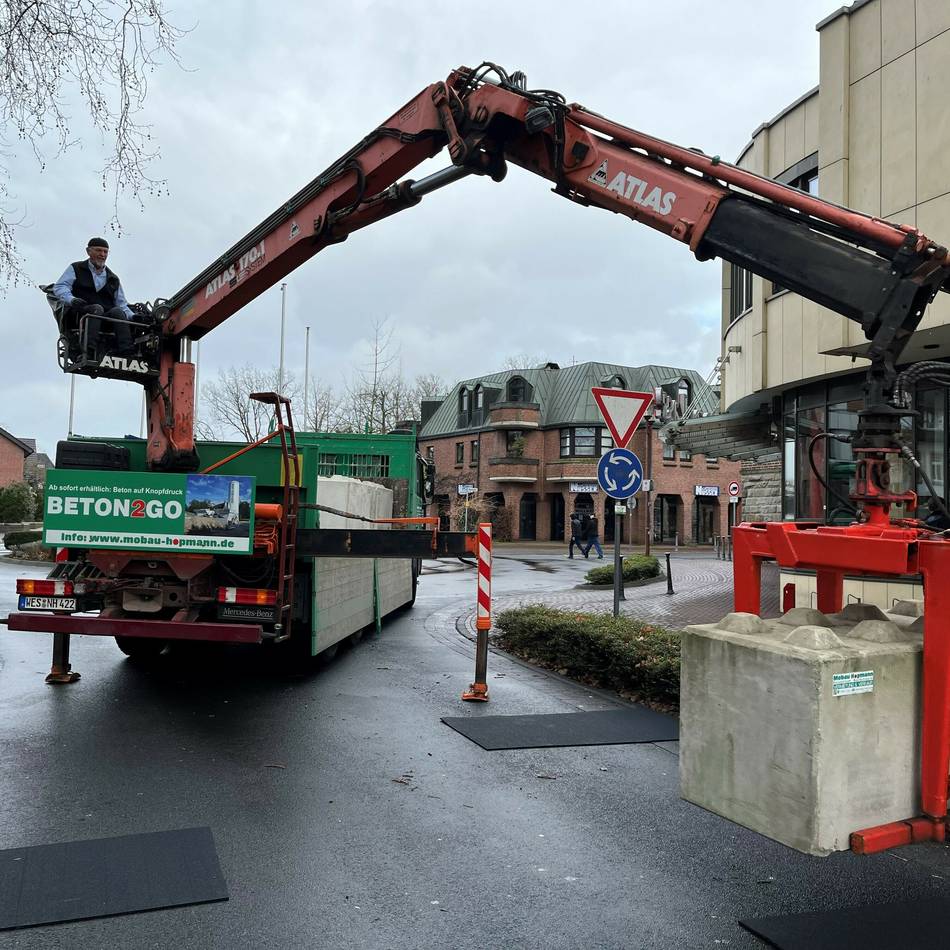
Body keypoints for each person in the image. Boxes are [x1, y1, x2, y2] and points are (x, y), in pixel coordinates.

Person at [53, 238, 136, 360]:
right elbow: (60, 287)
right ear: (88, 251)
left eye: (105, 252)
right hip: (81, 312)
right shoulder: (76, 268)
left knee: (118, 312)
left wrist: (133, 317)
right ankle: (88, 351)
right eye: (98, 250)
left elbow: (122, 304)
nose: (102, 255)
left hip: (105, 318)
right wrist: (72, 299)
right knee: (96, 309)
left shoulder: (113, 278)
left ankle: (126, 352)